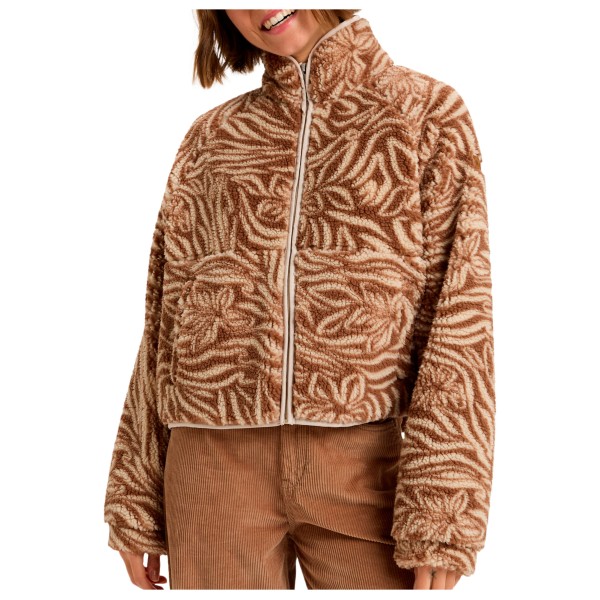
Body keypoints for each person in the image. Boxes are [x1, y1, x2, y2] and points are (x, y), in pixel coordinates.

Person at [103, 8, 496, 591]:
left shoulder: (426, 116)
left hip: (362, 464)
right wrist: (135, 495)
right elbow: (164, 322)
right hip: (210, 468)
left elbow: (460, 317)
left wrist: (443, 513)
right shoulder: (211, 138)